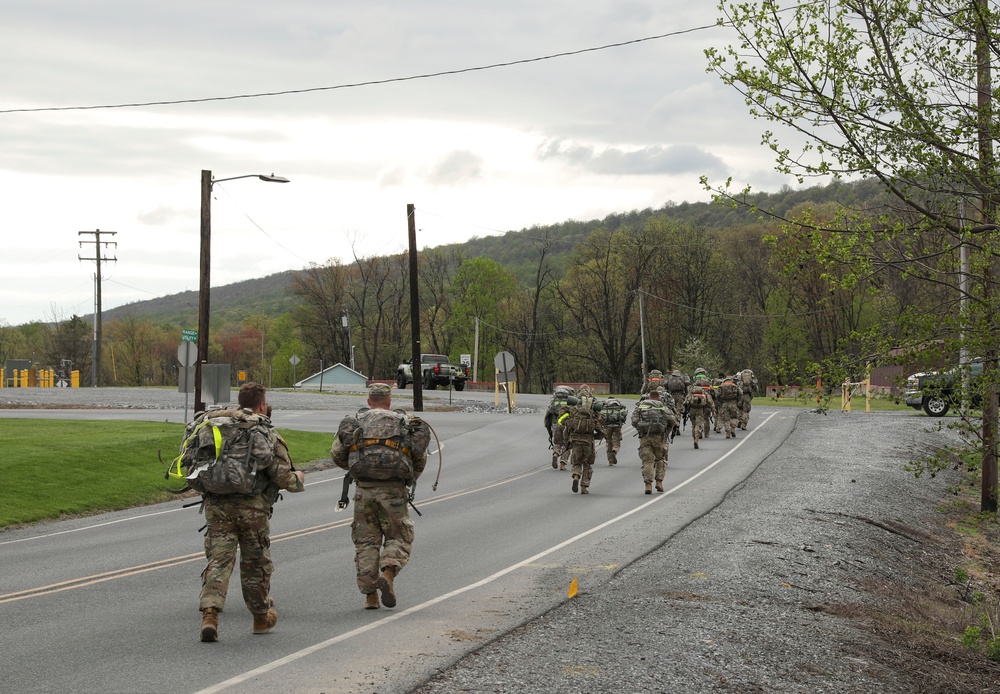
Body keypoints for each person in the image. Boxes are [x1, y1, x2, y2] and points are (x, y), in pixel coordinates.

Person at [197, 382, 305, 643]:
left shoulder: (218, 427)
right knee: (255, 563)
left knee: (219, 560)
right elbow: (282, 477)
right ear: (261, 404)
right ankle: (260, 617)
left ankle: (210, 614)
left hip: (217, 505)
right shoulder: (263, 430)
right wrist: (298, 479)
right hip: (252, 509)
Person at [331, 383, 429, 610]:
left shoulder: (357, 422)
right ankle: (388, 574)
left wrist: (357, 468)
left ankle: (370, 597)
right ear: (389, 401)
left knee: (366, 542)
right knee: (399, 537)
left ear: (369, 401)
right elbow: (419, 458)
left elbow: (337, 454)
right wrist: (408, 478)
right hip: (394, 491)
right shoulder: (403, 423)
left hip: (364, 490)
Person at [630, 389, 677, 494]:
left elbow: (634, 421)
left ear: (649, 397)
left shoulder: (641, 406)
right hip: (659, 438)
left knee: (647, 461)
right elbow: (673, 421)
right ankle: (659, 482)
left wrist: (641, 428)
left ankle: (648, 484)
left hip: (644, 438)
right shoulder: (663, 407)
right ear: (659, 397)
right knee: (660, 459)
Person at [558, 398, 606, 494]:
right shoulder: (592, 417)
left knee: (576, 463)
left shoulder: (574, 416)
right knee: (587, 465)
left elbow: (566, 429)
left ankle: (576, 475)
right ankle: (584, 487)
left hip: (576, 443)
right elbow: (602, 432)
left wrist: (567, 441)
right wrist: (595, 437)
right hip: (588, 444)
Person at [544, 385, 575, 470]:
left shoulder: (554, 400)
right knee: (567, 444)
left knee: (557, 442)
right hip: (567, 424)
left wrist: (549, 429)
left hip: (555, 424)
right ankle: (563, 463)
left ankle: (556, 453)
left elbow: (547, 416)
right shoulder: (571, 400)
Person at [685, 373, 714, 449]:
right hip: (700, 410)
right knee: (699, 425)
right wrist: (713, 410)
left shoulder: (691, 392)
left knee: (693, 425)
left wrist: (684, 410)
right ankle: (696, 439)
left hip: (691, 410)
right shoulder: (703, 392)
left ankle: (694, 436)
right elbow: (710, 401)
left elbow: (686, 401)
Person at [600, 396, 628, 466]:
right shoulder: (619, 404)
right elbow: (624, 414)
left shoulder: (603, 405)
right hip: (617, 426)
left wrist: (602, 425)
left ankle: (610, 461)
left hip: (607, 427)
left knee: (608, 442)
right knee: (617, 442)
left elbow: (600, 416)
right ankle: (614, 450)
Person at [716, 374, 744, 438]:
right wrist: (739, 402)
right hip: (733, 403)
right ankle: (733, 429)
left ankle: (728, 431)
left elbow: (717, 395)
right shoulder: (734, 385)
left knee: (726, 419)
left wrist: (719, 402)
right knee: (734, 417)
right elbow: (741, 393)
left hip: (724, 404)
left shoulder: (721, 386)